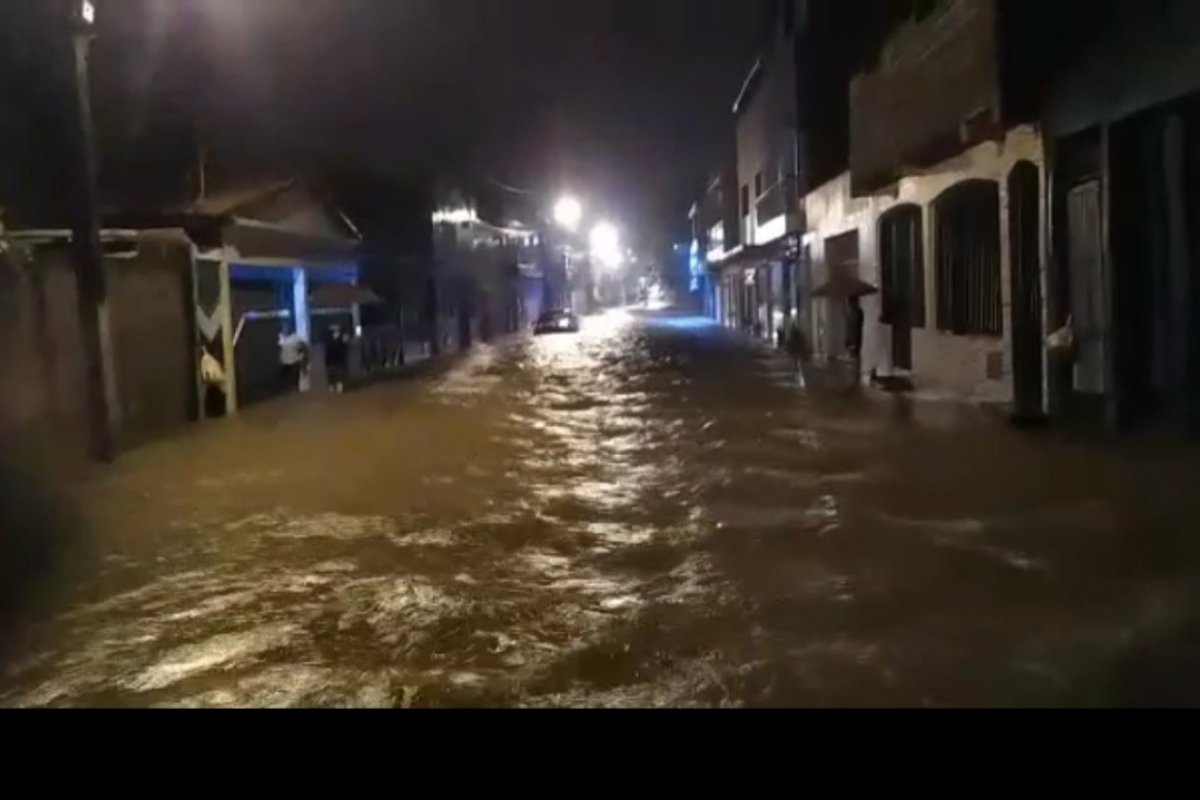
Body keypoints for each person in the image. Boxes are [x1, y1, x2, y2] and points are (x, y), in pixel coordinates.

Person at [278, 324, 308, 392]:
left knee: (294, 380)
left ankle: (296, 394)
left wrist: (302, 357)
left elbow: (303, 347)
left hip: (294, 361)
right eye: (283, 329)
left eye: (286, 328)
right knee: (287, 380)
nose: (285, 330)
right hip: (284, 362)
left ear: (290, 329)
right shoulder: (280, 337)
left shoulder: (296, 338)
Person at [199, 345, 227, 418]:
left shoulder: (209, 360)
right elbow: (209, 377)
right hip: (215, 389)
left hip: (217, 389)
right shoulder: (207, 360)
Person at [846, 296, 865, 386]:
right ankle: (854, 376)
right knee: (853, 357)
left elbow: (854, 326)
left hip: (855, 338)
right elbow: (849, 328)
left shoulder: (856, 313)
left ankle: (855, 376)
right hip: (853, 338)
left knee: (855, 357)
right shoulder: (852, 313)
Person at [325, 324, 349, 394]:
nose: (335, 330)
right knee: (331, 373)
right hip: (330, 358)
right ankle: (332, 387)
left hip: (339, 357)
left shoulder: (343, 336)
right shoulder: (328, 337)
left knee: (339, 373)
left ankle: (339, 387)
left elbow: (345, 343)